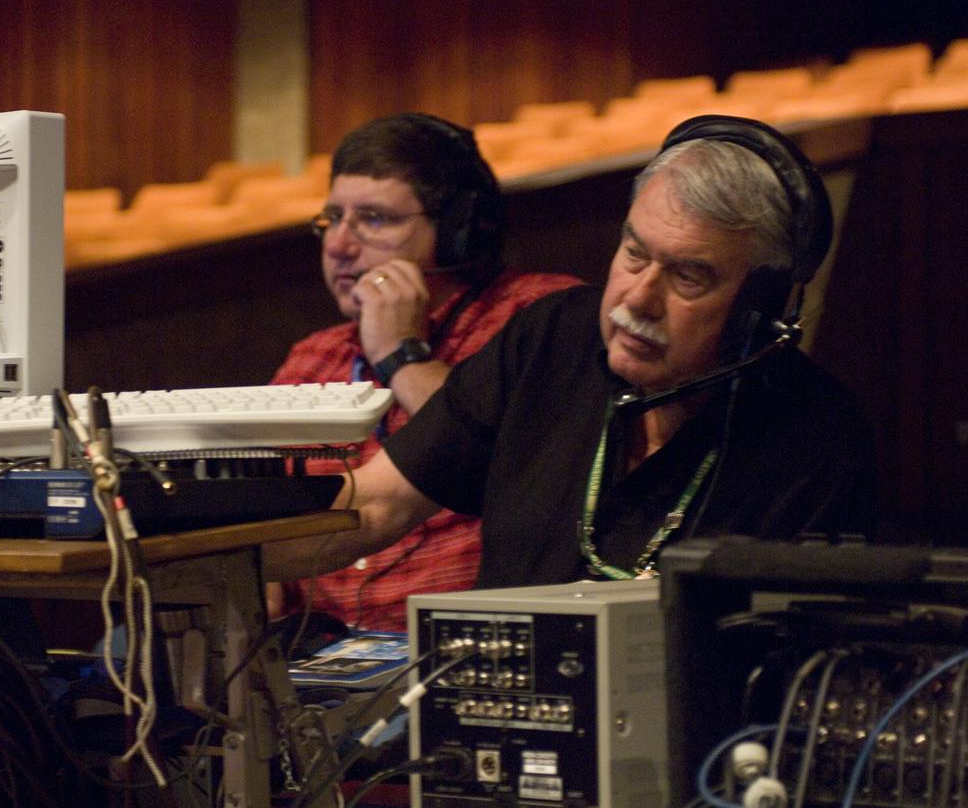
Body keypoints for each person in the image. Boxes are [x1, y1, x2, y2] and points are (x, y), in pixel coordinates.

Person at [264, 115, 877, 592]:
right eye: (634, 253)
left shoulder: (817, 438)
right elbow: (370, 506)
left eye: (688, 276)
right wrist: (186, 555)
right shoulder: (552, 337)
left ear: (756, 306)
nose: (639, 298)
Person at [269, 113, 581, 631]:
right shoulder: (311, 358)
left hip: (454, 645)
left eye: (373, 218)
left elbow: (520, 465)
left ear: (459, 233)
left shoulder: (536, 320)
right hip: (316, 654)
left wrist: (400, 355)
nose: (339, 245)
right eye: (331, 219)